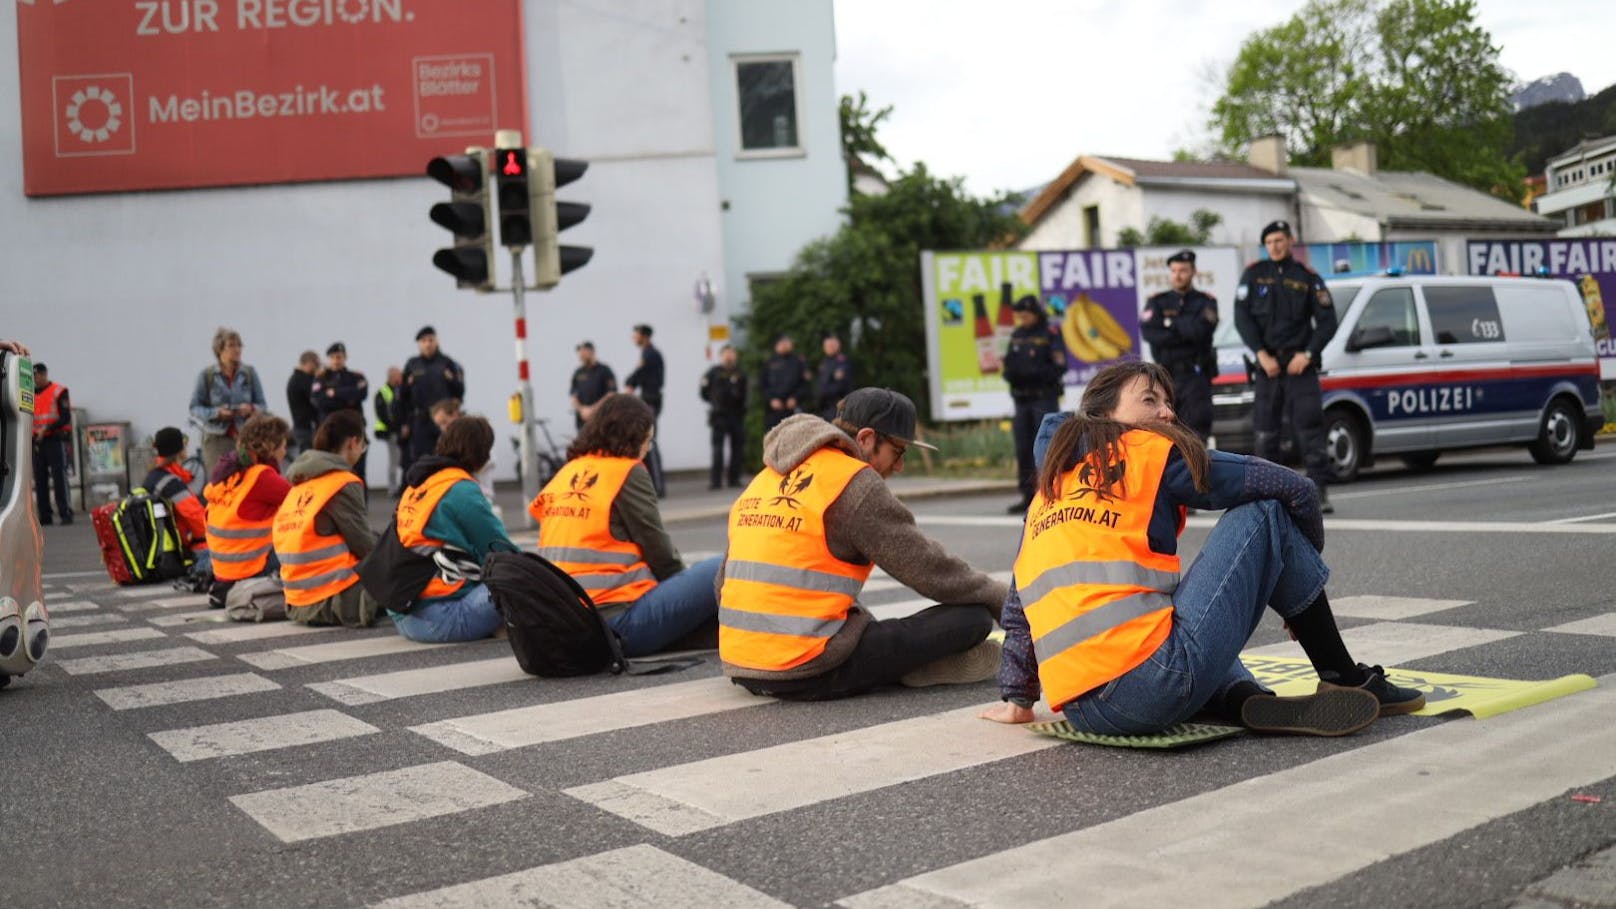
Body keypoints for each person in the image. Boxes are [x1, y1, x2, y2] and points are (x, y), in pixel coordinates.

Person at [980, 362, 1423, 737]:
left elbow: (1022, 597)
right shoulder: (1148, 451)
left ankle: (1240, 697)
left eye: (1168, 402)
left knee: (1164, 617)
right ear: (1105, 414)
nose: (1167, 411)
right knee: (1265, 514)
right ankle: (1343, 678)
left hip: (1086, 710)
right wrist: (1296, 595)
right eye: (1149, 400)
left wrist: (1018, 696)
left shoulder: (1052, 483)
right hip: (1151, 687)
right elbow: (1296, 489)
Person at [719, 387, 1008, 701]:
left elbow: (722, 581)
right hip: (807, 668)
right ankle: (909, 668)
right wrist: (1005, 602)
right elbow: (930, 568)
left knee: (857, 619)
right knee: (973, 619)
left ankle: (903, 666)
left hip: (740, 664)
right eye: (898, 452)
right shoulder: (853, 482)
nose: (899, 466)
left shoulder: (765, 478)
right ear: (868, 439)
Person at [530, 394, 720, 655]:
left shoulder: (567, 471)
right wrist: (684, 597)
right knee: (723, 566)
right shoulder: (626, 472)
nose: (646, 450)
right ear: (634, 438)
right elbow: (659, 551)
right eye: (648, 442)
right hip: (616, 621)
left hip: (568, 621)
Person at [367, 415, 512, 643]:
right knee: (520, 582)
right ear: (481, 453)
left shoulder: (420, 484)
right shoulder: (461, 489)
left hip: (403, 615)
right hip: (442, 617)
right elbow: (503, 551)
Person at [1235, 221, 1339, 513]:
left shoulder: (1307, 277)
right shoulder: (1254, 276)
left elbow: (1327, 321)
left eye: (1279, 240)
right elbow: (1242, 318)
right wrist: (1260, 354)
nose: (1275, 246)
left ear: (1291, 240)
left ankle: (1318, 491)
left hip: (1299, 365)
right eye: (1269, 242)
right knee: (1266, 432)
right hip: (1268, 366)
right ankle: (1268, 494)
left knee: (1310, 428)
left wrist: (1308, 353)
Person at [274, 411, 381, 627]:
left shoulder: (302, 482)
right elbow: (365, 546)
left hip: (296, 600)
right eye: (363, 445)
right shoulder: (343, 482)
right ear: (353, 443)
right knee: (404, 569)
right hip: (332, 599)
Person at [204, 414, 291, 608]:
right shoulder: (262, 477)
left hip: (223, 571)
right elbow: (301, 503)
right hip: (251, 568)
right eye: (283, 446)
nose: (285, 453)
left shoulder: (230, 474)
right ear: (271, 447)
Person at [1141, 249, 1218, 441]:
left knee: (1196, 436)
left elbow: (1201, 332)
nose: (1178, 275)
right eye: (1174, 270)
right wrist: (1186, 330)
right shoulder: (1158, 301)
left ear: (1193, 272)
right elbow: (1150, 333)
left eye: (1183, 270)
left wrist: (1170, 324)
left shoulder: (1206, 302)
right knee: (1166, 435)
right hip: (1166, 377)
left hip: (1195, 377)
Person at [1001, 297, 1067, 514]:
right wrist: (1017, 375)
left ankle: (1049, 492)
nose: (1022, 319)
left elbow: (1059, 366)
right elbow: (1008, 367)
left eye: (1026, 315)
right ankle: (1028, 495)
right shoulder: (1018, 335)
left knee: (1046, 447)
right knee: (1024, 449)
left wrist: (1029, 374)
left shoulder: (1050, 333)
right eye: (1020, 315)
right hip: (1022, 400)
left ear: (1036, 314)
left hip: (1043, 399)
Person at [189, 327, 267, 478]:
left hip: (245, 437)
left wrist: (250, 409)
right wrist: (216, 413)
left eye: (239, 345)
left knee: (248, 480)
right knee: (220, 482)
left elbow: (262, 405)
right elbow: (195, 407)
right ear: (220, 349)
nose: (237, 349)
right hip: (217, 439)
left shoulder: (249, 373)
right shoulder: (207, 375)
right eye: (231, 345)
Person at [142, 427, 209, 576]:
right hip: (191, 550)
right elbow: (196, 516)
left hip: (163, 549)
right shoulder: (170, 483)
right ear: (180, 450)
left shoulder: (154, 477)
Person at [398, 325, 465, 473]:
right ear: (419, 344)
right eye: (423, 341)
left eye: (430, 340)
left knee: (447, 456)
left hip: (444, 421)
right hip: (421, 421)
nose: (427, 344)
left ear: (436, 341)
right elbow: (403, 396)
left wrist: (452, 381)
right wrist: (404, 422)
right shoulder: (412, 364)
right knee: (421, 460)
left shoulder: (447, 362)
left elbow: (459, 392)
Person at [310, 342, 369, 487]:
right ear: (329, 358)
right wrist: (347, 398)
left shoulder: (355, 377)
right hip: (331, 433)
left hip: (353, 431)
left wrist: (335, 393)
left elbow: (361, 393)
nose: (337, 360)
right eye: (333, 357)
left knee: (357, 473)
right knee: (330, 473)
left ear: (345, 357)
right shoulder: (321, 378)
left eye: (339, 357)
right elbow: (320, 401)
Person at [624, 324, 667, 497]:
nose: (634, 338)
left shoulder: (650, 354)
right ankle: (655, 486)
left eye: (636, 335)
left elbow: (637, 374)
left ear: (644, 336)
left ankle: (658, 486)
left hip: (650, 400)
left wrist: (630, 383)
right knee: (647, 442)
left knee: (650, 443)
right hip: (649, 399)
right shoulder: (648, 353)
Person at [700, 344, 748, 490]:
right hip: (719, 416)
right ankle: (716, 481)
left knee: (737, 448)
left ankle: (734, 479)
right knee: (717, 449)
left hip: (736, 415)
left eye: (731, 353)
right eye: (726, 353)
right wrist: (715, 401)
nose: (729, 356)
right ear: (721, 356)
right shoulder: (713, 372)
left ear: (735, 356)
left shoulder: (741, 373)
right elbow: (703, 392)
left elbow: (746, 393)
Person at [31, 362, 73, 525]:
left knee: (59, 477)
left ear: (44, 374)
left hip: (55, 439)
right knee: (40, 479)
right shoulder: (30, 394)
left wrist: (47, 428)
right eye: (34, 376)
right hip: (37, 442)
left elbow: (65, 417)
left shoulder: (58, 391)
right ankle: (45, 515)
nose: (36, 379)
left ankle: (65, 512)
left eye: (38, 375)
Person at [760, 333, 812, 430]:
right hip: (774, 410)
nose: (784, 345)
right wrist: (771, 399)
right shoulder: (769, 362)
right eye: (781, 343)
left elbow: (805, 384)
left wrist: (795, 398)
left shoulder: (799, 362)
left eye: (786, 343)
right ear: (776, 346)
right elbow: (763, 385)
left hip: (793, 408)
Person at [570, 341, 617, 430]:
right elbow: (573, 395)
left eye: (583, 352)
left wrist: (593, 409)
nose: (581, 355)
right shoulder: (578, 373)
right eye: (579, 352)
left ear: (592, 352)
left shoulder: (604, 370)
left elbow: (611, 394)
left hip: (602, 419)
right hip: (583, 420)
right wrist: (582, 410)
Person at [374, 366, 404, 496]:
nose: (401, 378)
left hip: (397, 431)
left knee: (399, 459)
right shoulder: (382, 392)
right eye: (399, 376)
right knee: (394, 460)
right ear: (392, 377)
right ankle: (392, 488)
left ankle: (399, 486)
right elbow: (382, 414)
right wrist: (396, 427)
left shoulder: (400, 390)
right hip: (389, 432)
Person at [813, 331, 856, 421]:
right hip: (824, 408)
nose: (829, 348)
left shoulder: (842, 362)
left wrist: (823, 393)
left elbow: (840, 386)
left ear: (838, 345)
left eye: (832, 345)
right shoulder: (824, 363)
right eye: (827, 346)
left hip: (838, 407)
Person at [286, 351, 320, 458]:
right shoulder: (302, 380)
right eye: (316, 365)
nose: (317, 369)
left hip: (301, 427)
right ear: (309, 363)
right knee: (309, 460)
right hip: (305, 429)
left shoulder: (295, 379)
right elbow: (317, 397)